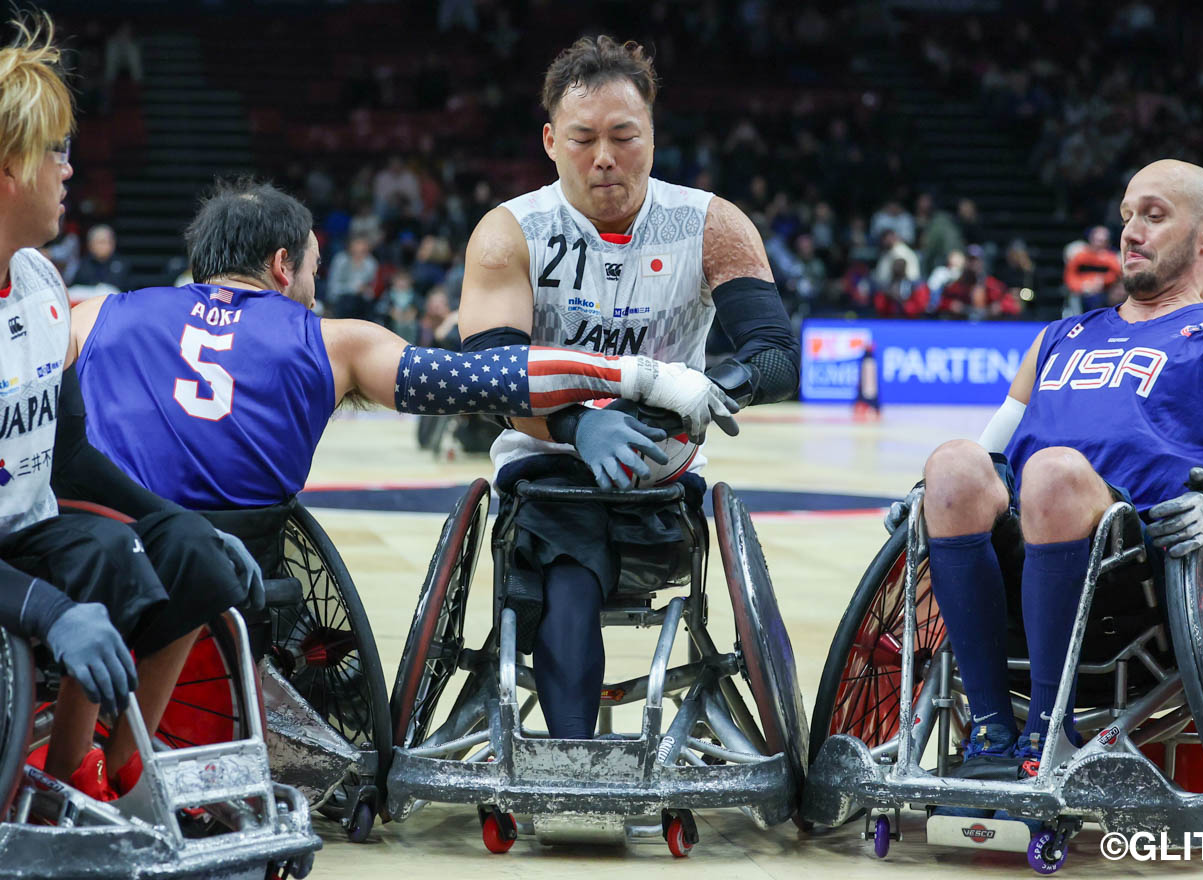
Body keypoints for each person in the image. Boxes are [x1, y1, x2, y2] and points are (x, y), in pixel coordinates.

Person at [888, 160, 1203, 806]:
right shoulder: (1061, 337)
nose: (1130, 232)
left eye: (1154, 215)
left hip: (1133, 582)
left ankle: (1047, 734)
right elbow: (982, 460)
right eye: (1126, 216)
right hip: (1017, 564)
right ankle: (990, 732)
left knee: (1053, 475)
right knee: (950, 463)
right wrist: (925, 500)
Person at [457, 36, 799, 740]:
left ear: (651, 135)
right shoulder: (509, 232)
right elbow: (492, 374)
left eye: (623, 136)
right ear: (551, 140)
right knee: (569, 561)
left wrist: (715, 385)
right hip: (546, 461)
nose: (604, 156)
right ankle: (573, 758)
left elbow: (775, 354)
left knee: (599, 543)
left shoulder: (711, 223)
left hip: (663, 468)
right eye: (582, 138)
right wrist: (578, 425)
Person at [71, 179, 737, 513]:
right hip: (232, 565)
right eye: (312, 270)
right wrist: (646, 377)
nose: (313, 289)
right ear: (282, 267)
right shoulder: (337, 342)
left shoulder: (94, 315)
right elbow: (490, 378)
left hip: (105, 550)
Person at [0, 13, 262, 802]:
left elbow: (69, 454)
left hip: (26, 532)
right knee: (107, 563)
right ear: (7, 167)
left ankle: (105, 766)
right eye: (55, 150)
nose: (69, 168)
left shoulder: (42, 285)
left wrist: (190, 524)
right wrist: (47, 608)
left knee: (186, 546)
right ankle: (59, 771)